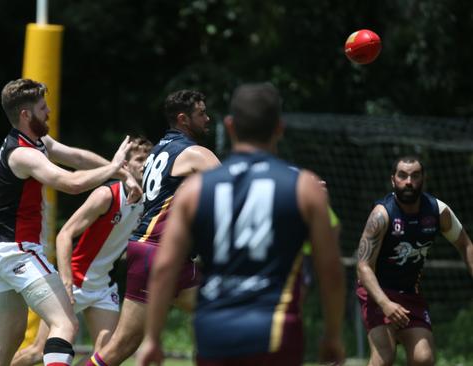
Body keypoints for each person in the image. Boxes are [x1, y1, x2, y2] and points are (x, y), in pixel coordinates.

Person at [136, 82, 346, 366]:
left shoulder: (195, 190)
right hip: (275, 327)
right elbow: (331, 270)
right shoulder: (304, 188)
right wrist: (332, 335)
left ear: (231, 126)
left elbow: (163, 269)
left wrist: (152, 338)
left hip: (215, 329)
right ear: (279, 128)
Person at [0, 78, 141, 366]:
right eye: (43, 107)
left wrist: (119, 172)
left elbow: (77, 158)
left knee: (7, 343)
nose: (49, 111)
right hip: (17, 251)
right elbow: (71, 183)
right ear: (26, 115)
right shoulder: (23, 154)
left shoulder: (35, 142)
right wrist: (114, 167)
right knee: (65, 324)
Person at [85, 89, 221, 366]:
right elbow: (237, 181)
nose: (208, 118)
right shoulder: (193, 153)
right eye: (201, 114)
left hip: (169, 256)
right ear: (183, 119)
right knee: (121, 347)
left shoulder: (160, 149)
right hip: (156, 254)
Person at [12, 136, 153, 366]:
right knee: (38, 351)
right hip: (75, 280)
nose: (145, 164)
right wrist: (66, 283)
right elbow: (64, 235)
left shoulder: (150, 202)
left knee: (107, 354)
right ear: (124, 165)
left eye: (149, 159)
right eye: (139, 159)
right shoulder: (106, 195)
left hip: (103, 285)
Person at [355, 156, 473, 366]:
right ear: (393, 180)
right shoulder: (381, 215)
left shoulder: (438, 211)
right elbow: (363, 266)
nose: (408, 181)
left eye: (415, 175)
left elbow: (466, 245)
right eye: (402, 175)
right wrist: (385, 303)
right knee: (384, 357)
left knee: (423, 359)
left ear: (423, 179)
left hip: (410, 293)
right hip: (376, 291)